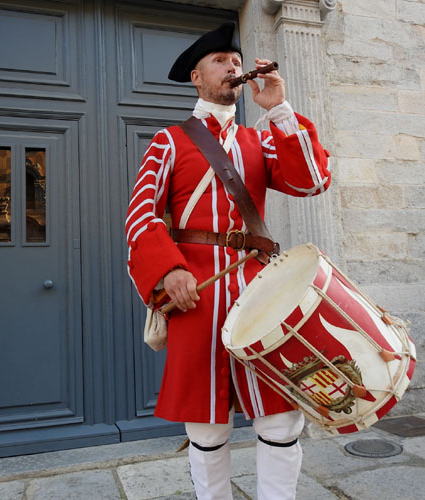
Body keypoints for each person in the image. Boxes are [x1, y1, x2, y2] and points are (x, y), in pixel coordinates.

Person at [125, 21, 331, 500]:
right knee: (207, 426)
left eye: (236, 61)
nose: (232, 67)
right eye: (219, 61)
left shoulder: (261, 140)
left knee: (281, 417)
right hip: (197, 291)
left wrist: (278, 109)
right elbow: (141, 216)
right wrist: (169, 270)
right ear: (196, 78)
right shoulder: (169, 140)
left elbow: (312, 182)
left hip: (261, 292)